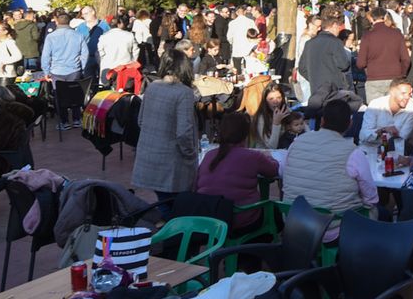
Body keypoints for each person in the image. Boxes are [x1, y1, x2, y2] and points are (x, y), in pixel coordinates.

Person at [282, 98, 379, 221]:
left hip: (294, 221)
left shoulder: (297, 142)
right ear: (350, 124)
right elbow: (371, 198)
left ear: (322, 121)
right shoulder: (353, 152)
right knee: (379, 211)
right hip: (333, 227)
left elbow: (283, 172)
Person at [132, 49, 198, 210]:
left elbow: (140, 120)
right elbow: (184, 133)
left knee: (165, 204)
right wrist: (191, 154)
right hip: (172, 163)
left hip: (150, 157)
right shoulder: (184, 93)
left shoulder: (153, 87)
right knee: (175, 208)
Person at [196, 110, 281, 231]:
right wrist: (270, 157)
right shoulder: (253, 156)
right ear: (246, 133)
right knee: (274, 211)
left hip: (209, 217)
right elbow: (273, 171)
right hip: (240, 218)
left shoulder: (209, 155)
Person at [41, 12, 89, 129]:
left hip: (57, 71)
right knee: (75, 94)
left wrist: (46, 72)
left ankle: (64, 121)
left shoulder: (51, 37)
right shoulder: (78, 35)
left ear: (57, 22)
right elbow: (85, 53)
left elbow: (46, 55)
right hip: (74, 69)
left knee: (59, 96)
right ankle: (77, 119)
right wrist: (81, 67)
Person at [298, 9, 354, 110]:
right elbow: (344, 65)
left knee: (319, 115)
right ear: (333, 26)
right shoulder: (335, 42)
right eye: (337, 27)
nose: (338, 30)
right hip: (334, 88)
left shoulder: (309, 43)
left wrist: (313, 78)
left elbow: (302, 68)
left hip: (316, 88)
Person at [357, 7, 412, 104]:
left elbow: (360, 63)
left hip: (374, 78)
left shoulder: (367, 36)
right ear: (386, 17)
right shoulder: (396, 34)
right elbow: (405, 59)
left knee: (376, 114)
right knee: (394, 112)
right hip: (395, 77)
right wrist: (401, 74)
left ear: (371, 18)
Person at [360, 79, 413, 150]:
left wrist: (394, 135)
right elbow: (363, 135)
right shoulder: (375, 105)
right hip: (370, 148)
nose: (407, 97)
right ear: (392, 92)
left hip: (394, 150)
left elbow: (402, 138)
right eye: (403, 93)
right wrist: (382, 130)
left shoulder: (411, 109)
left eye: (409, 94)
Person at [96, 20, 140, 85]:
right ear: (120, 24)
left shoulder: (103, 37)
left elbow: (100, 52)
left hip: (108, 67)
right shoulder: (129, 35)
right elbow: (136, 51)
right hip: (125, 67)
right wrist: (133, 62)